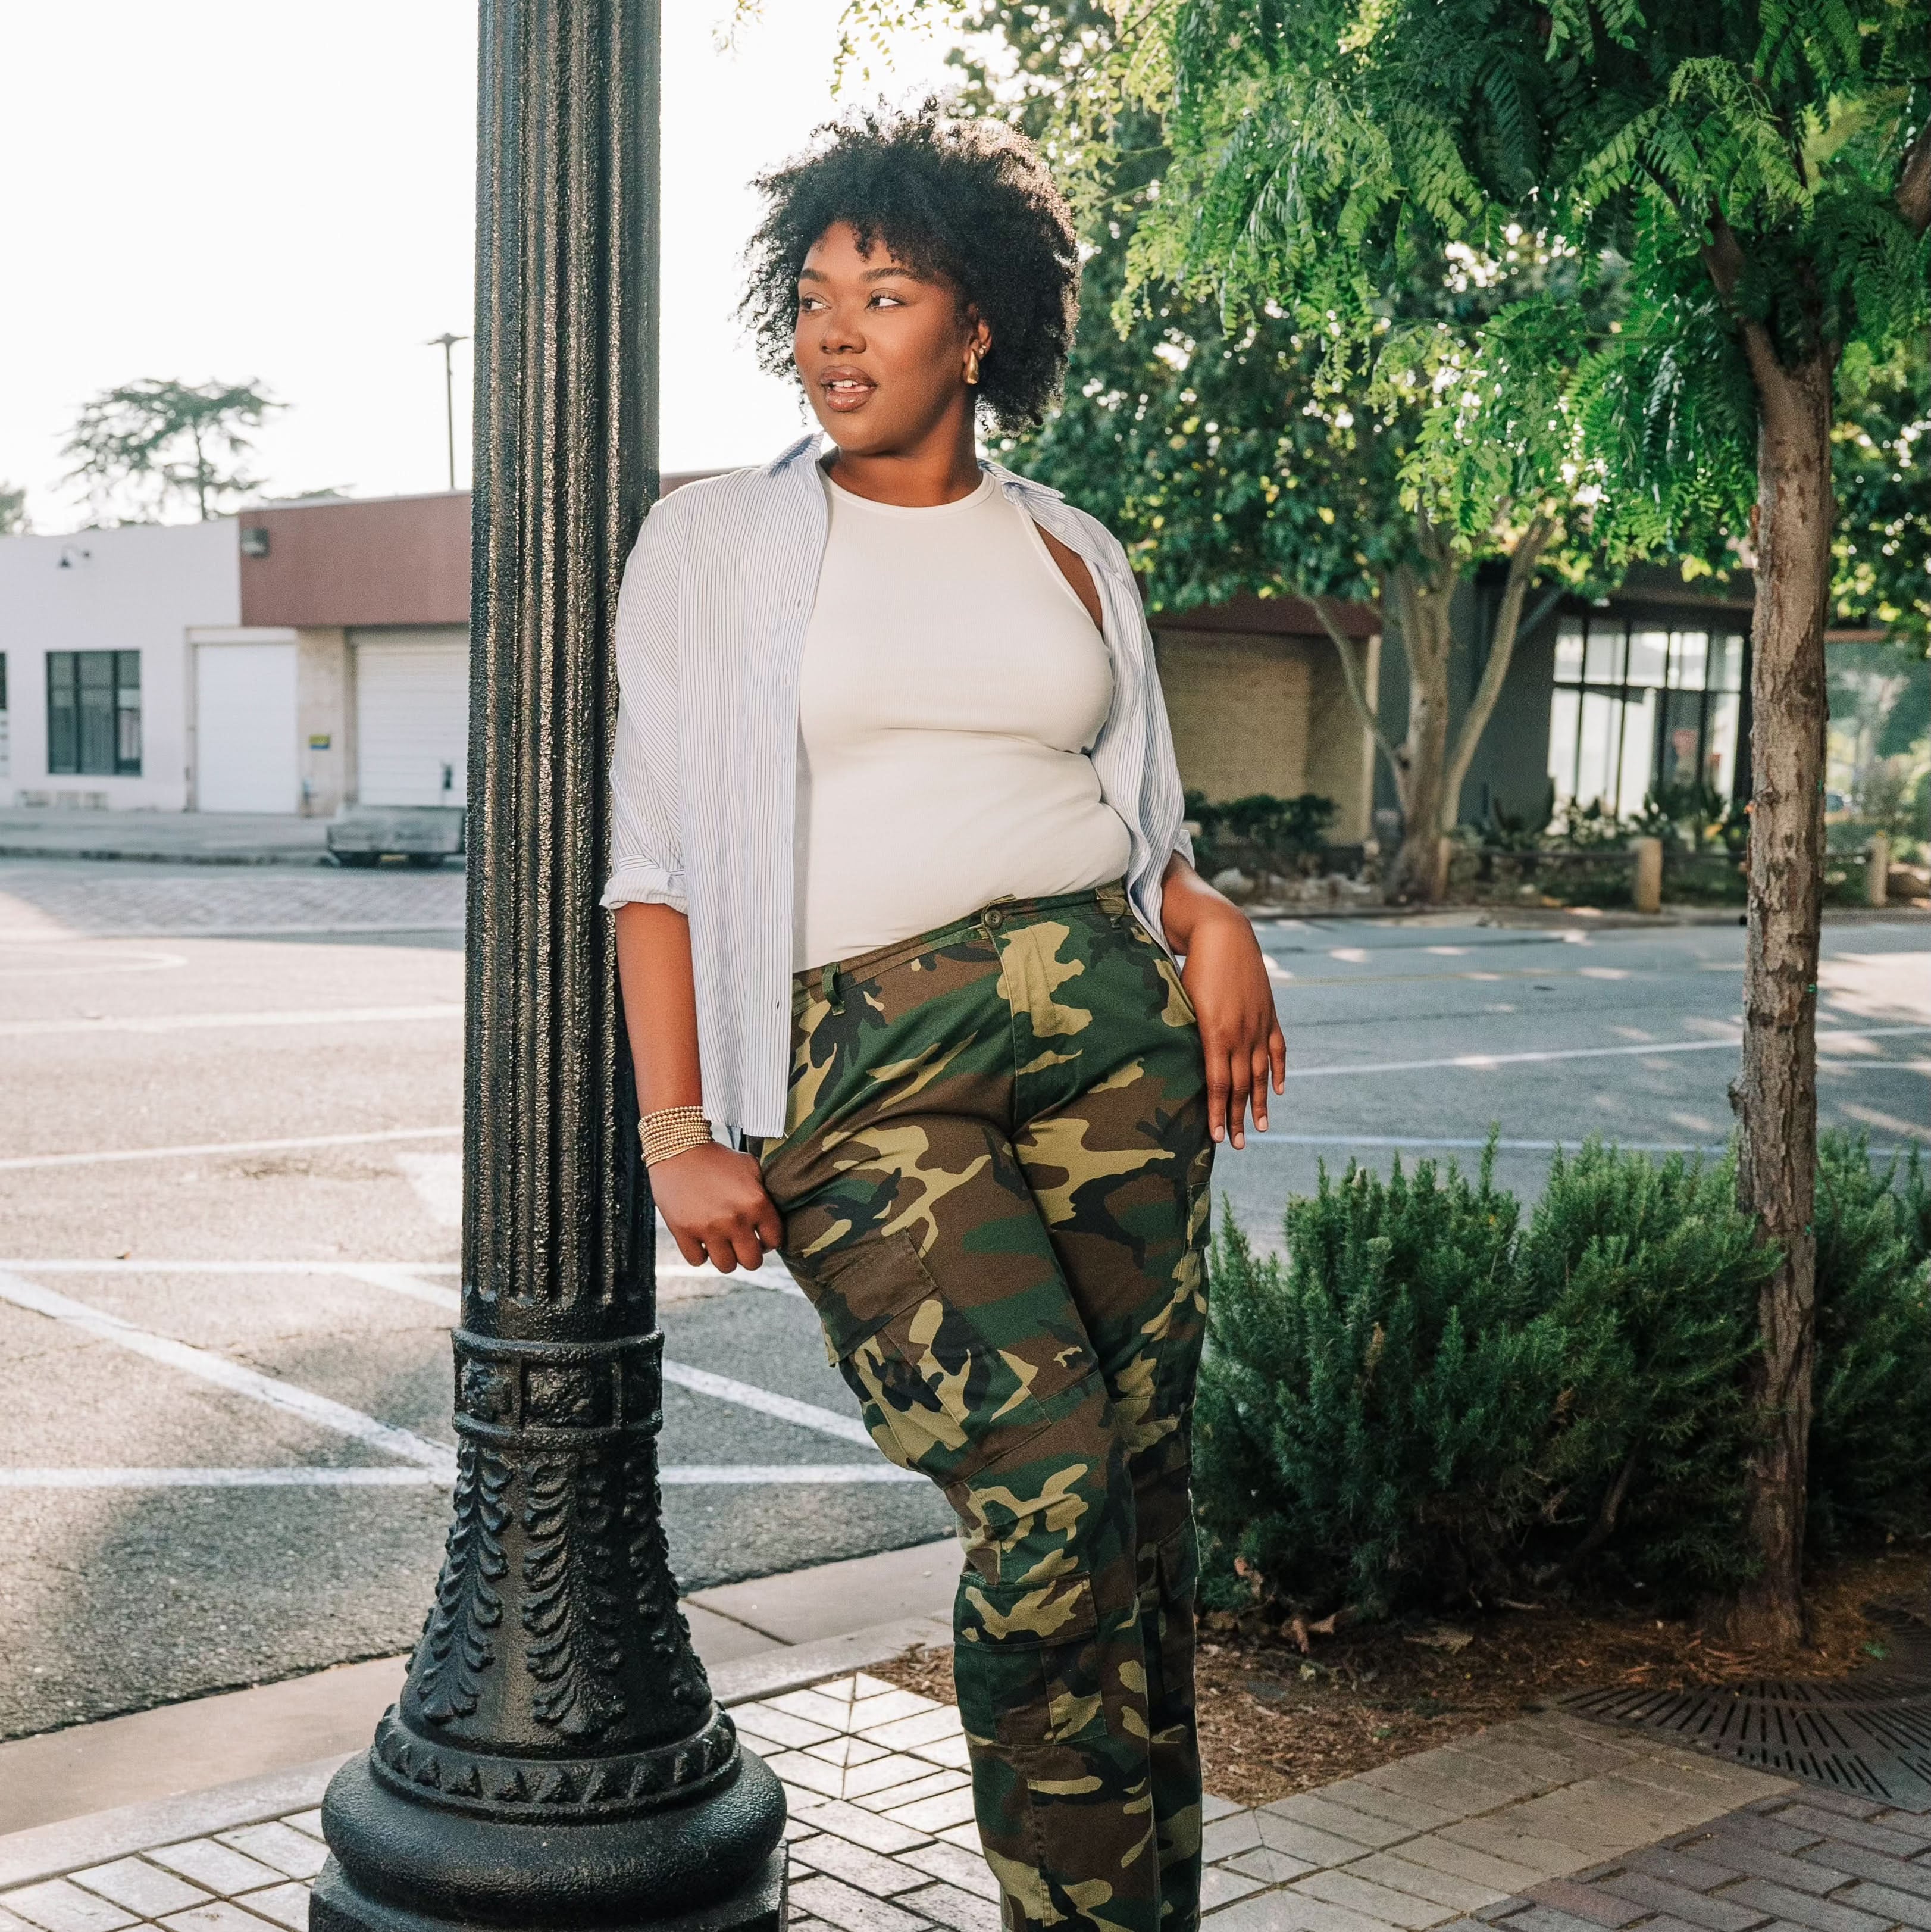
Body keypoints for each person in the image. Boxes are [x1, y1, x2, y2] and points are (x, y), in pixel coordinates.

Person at [603, 105, 1284, 1932]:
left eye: (884, 294)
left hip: (1118, 1041)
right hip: (861, 1065)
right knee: (1049, 1501)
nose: (836, 333)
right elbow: (654, 847)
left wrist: (1211, 919)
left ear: (977, 326)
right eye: (815, 296)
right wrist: (680, 1126)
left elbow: (1144, 831)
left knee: (1139, 1522)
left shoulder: (1075, 551)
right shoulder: (717, 544)